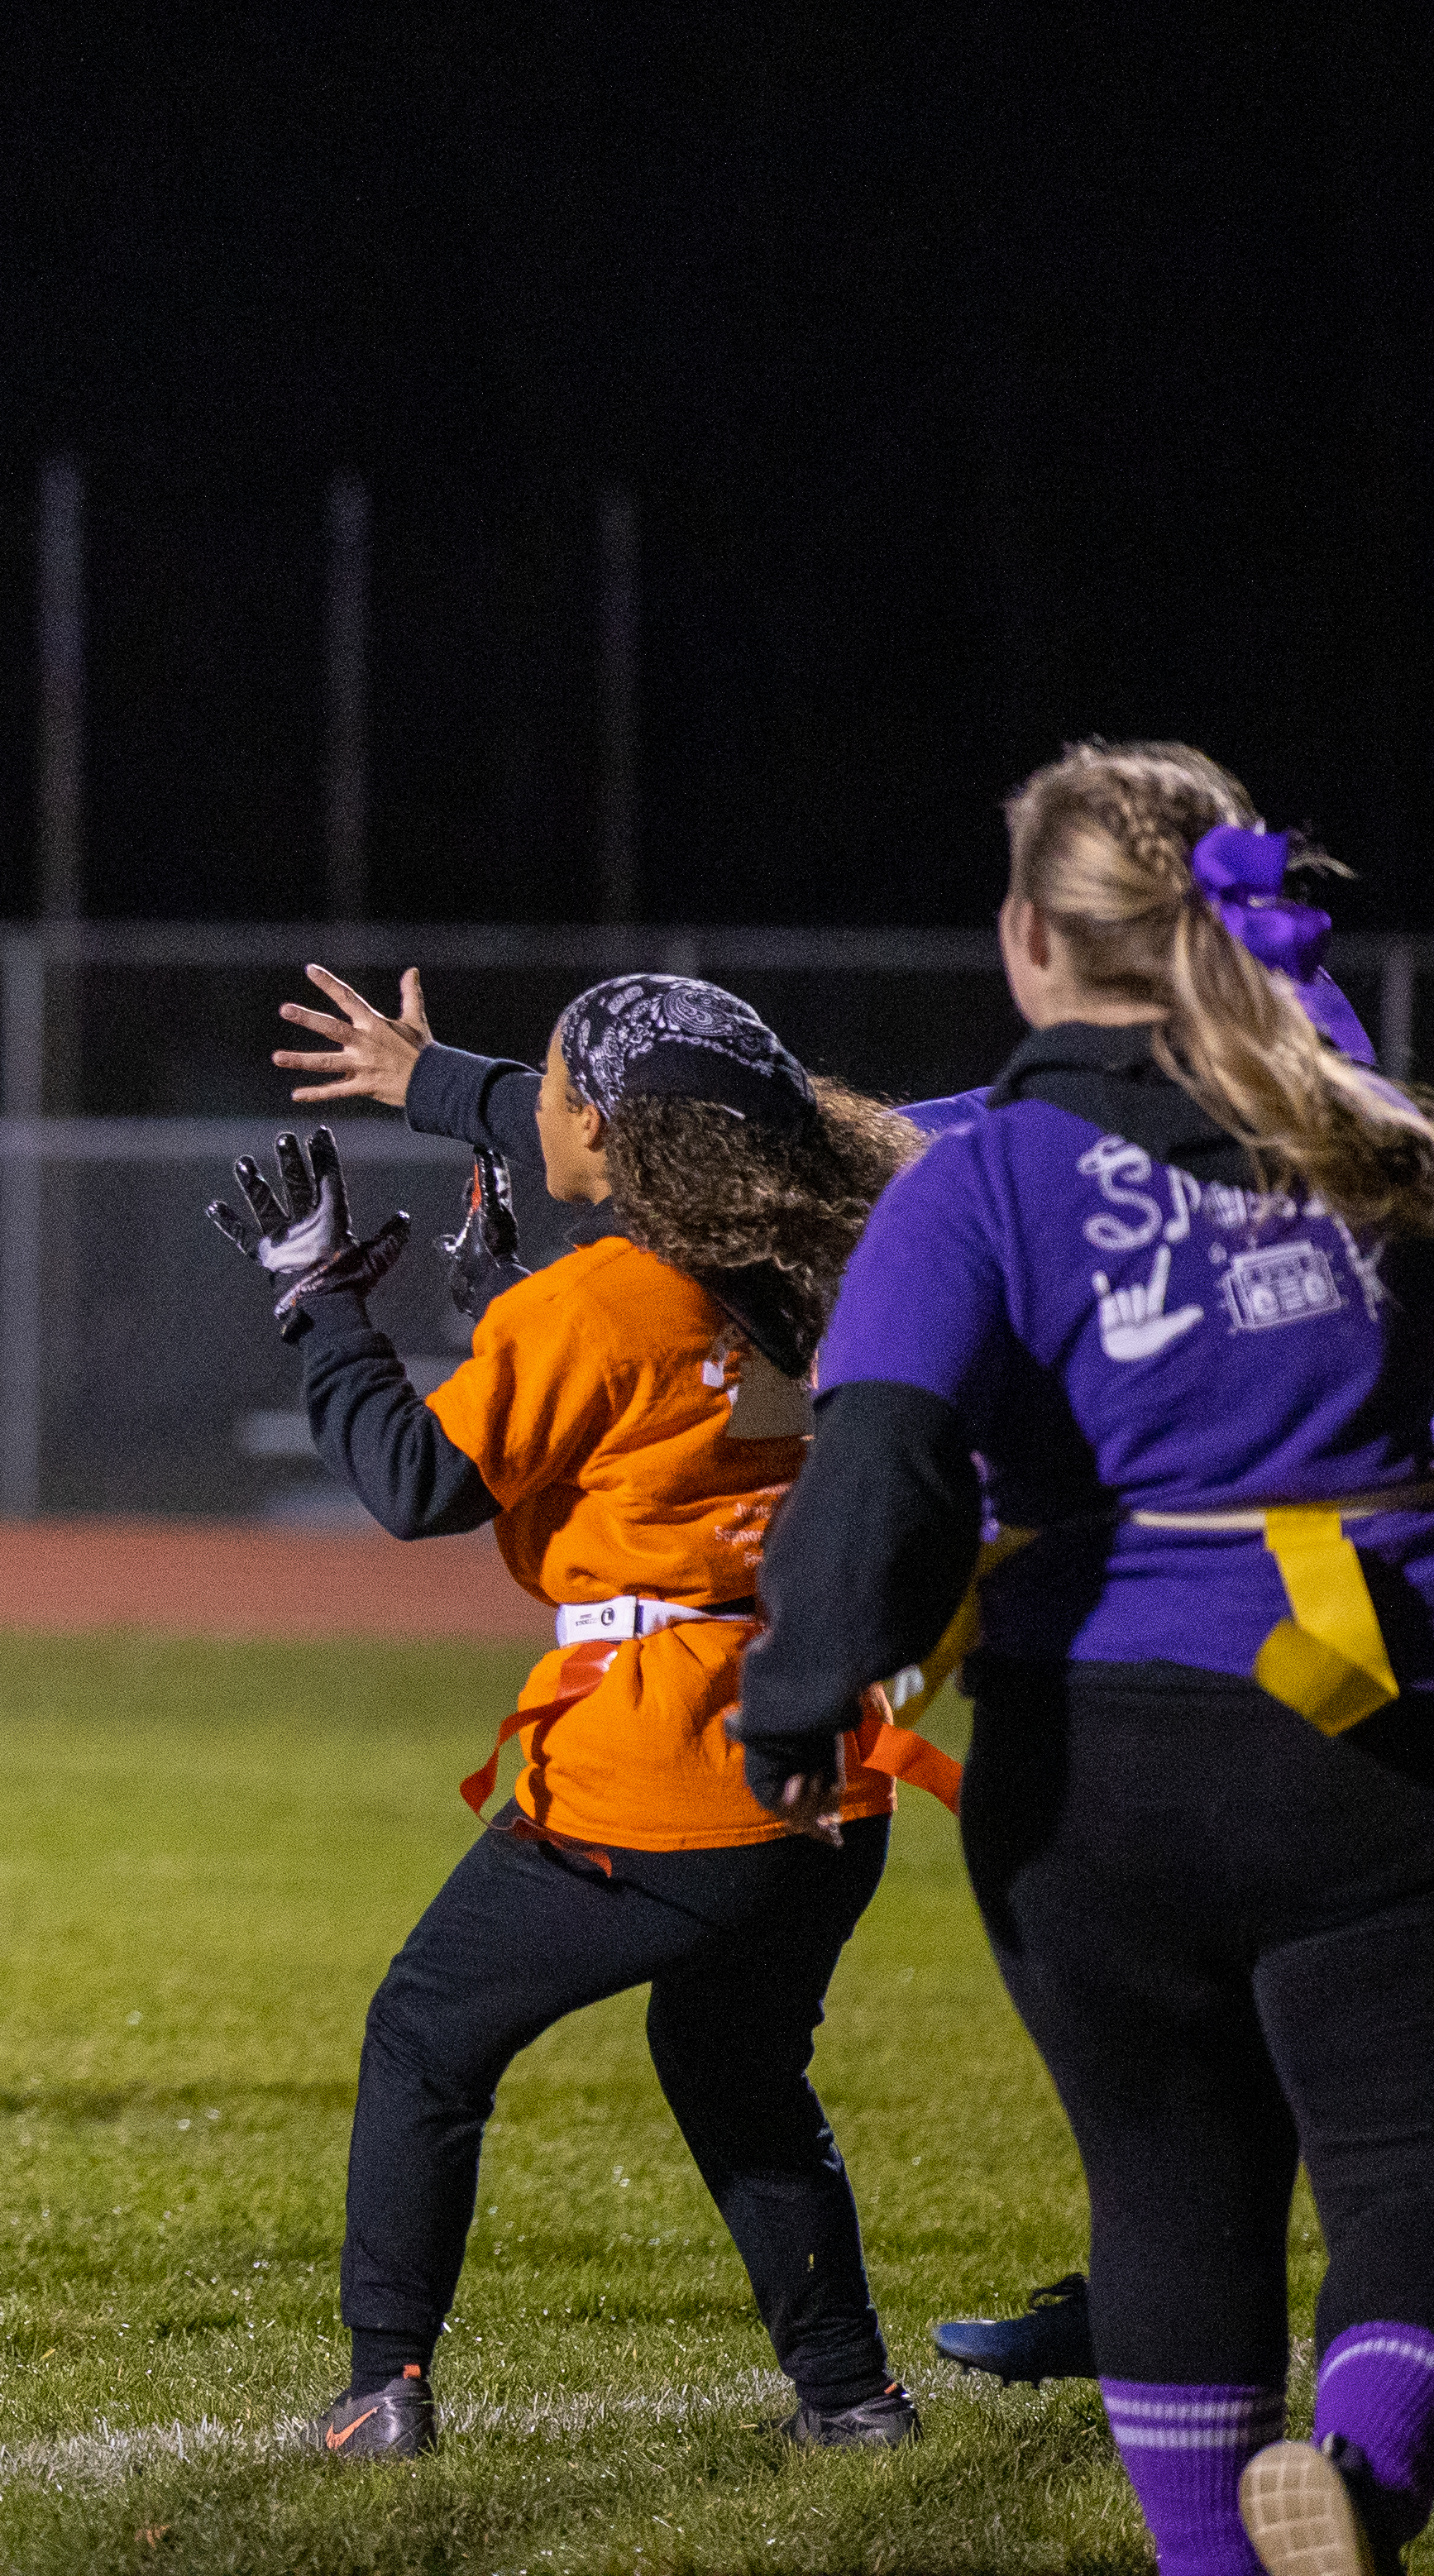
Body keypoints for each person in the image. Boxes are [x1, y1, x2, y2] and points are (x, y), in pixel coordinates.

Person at [740, 742, 1434, 2576]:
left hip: (1084, 1758)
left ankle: (1215, 2562)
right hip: (1360, 1732)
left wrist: (805, 1690)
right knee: (1400, 2165)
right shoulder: (1374, 1146)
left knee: (1163, 2189)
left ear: (1027, 940)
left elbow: (877, 1454)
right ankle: (1356, 2480)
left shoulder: (970, 1183)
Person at [219, 970, 939, 2463]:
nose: (532, 1099)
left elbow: (414, 1485)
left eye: (550, 1083)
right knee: (735, 2069)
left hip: (659, 1773)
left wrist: (320, 1309)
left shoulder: (600, 1300)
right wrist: (437, 1089)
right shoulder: (845, 1258)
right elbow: (646, 1414)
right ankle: (849, 2399)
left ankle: (381, 2392)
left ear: (608, 1129)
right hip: (829, 1766)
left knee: (423, 2032)